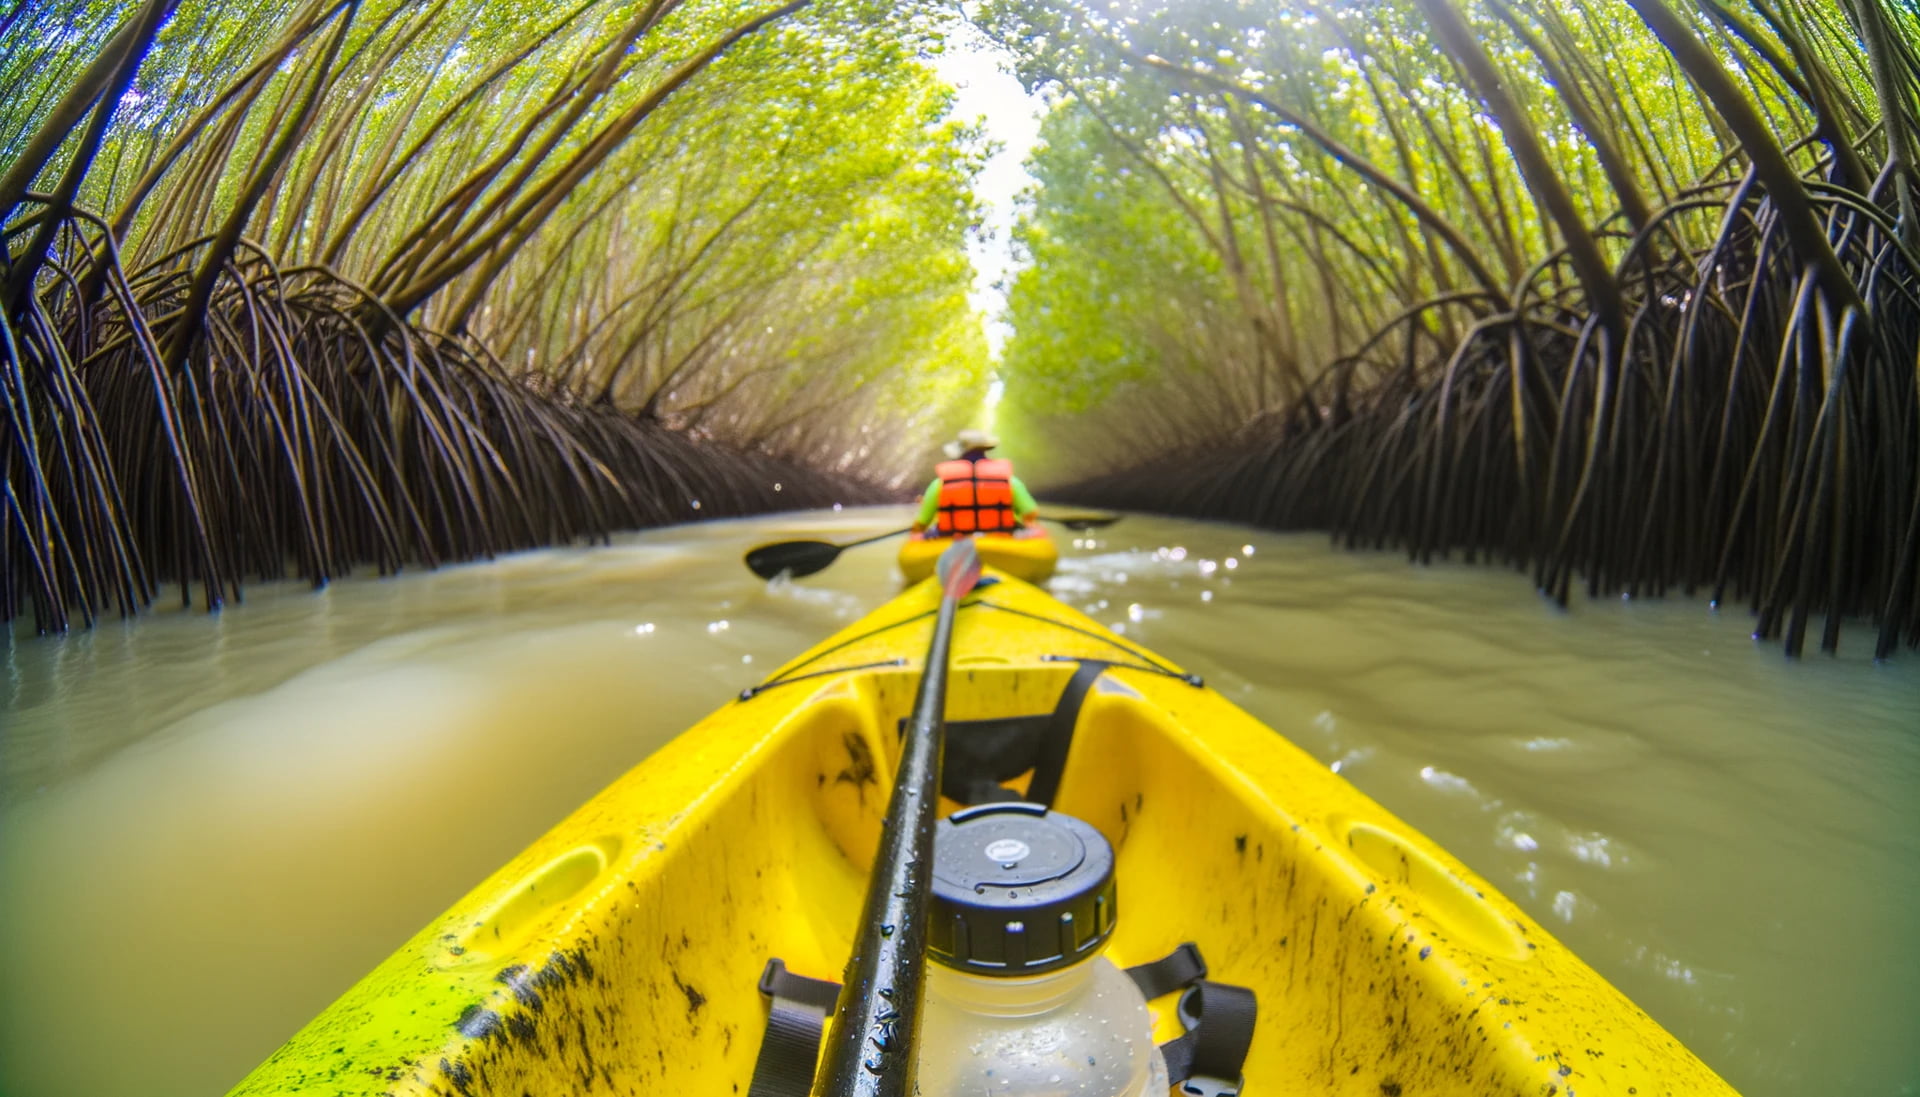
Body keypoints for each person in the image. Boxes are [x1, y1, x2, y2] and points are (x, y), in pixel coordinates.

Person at [911, 429, 1039, 537]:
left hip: (953, 539)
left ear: (959, 452)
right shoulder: (1010, 481)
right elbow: (1030, 513)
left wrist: (916, 534)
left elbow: (922, 523)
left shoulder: (940, 483)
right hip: (1002, 538)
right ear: (985, 450)